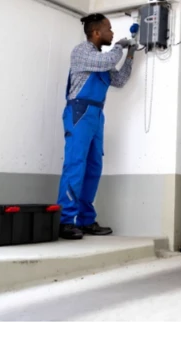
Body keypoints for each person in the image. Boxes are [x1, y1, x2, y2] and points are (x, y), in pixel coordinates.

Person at [57, 13, 137, 240]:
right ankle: (65, 221)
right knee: (75, 164)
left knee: (93, 167)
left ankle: (85, 220)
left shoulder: (101, 60)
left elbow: (119, 79)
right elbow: (109, 61)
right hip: (79, 113)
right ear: (96, 33)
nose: (112, 33)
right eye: (109, 29)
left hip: (96, 115)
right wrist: (120, 47)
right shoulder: (82, 52)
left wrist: (130, 53)